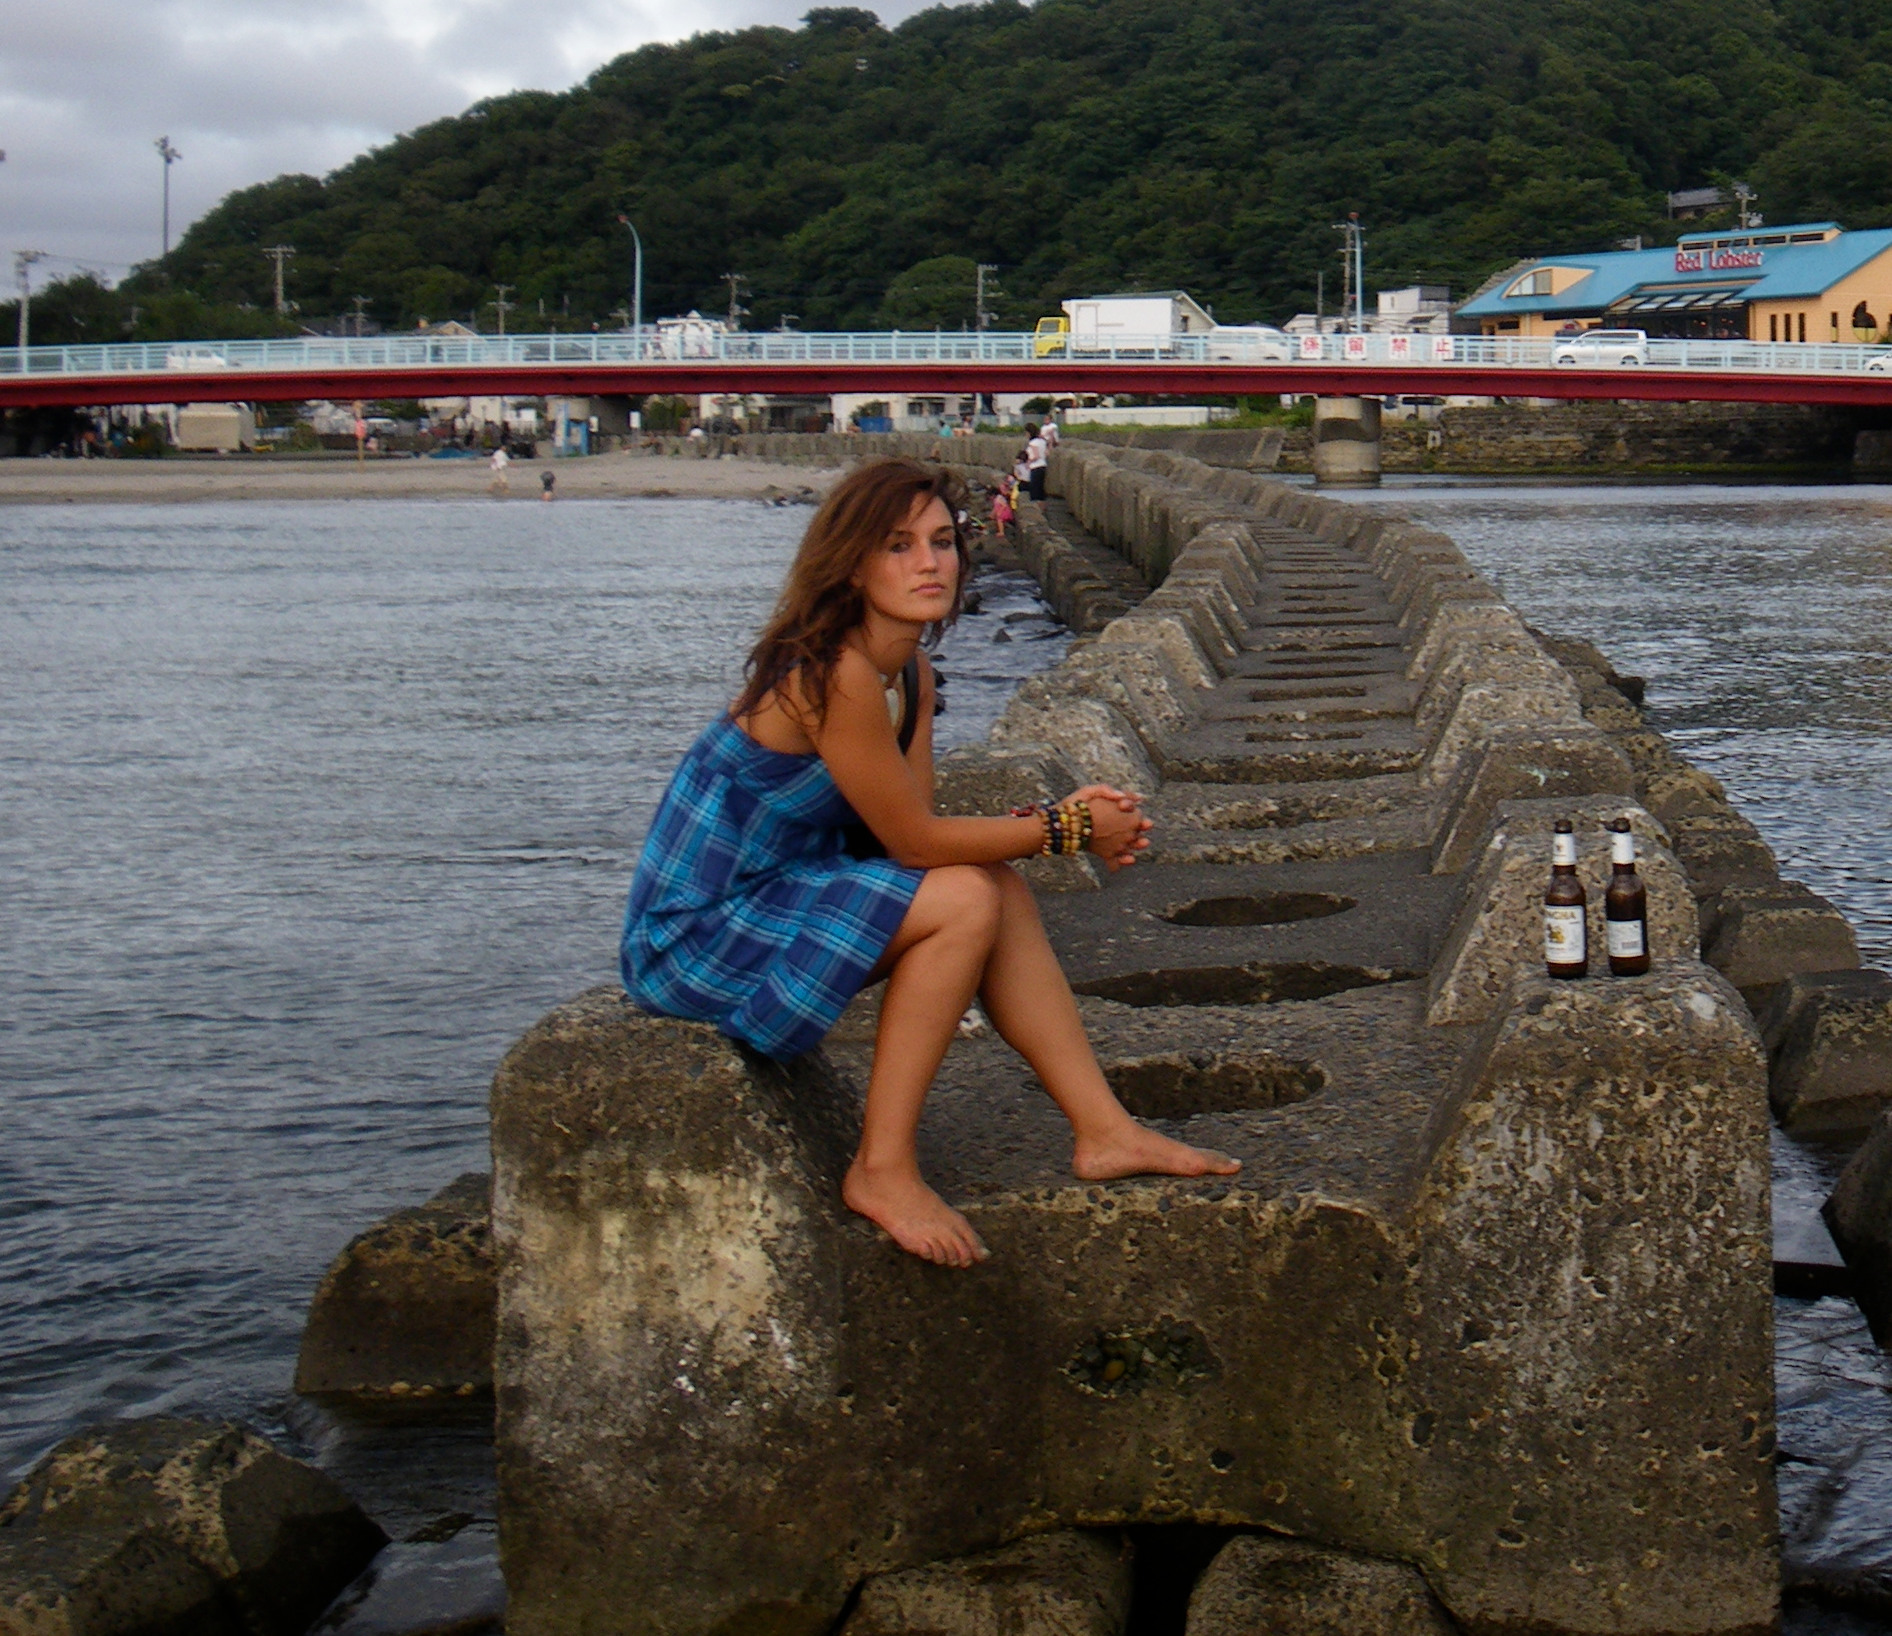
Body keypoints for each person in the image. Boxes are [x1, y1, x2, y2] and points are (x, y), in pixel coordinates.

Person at [620, 458, 1237, 1268]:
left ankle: (1105, 1130)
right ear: (850, 565)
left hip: (780, 901)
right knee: (965, 901)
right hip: (695, 938)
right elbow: (916, 847)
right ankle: (881, 1169)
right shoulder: (833, 672)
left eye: (943, 542)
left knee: (992, 889)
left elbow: (908, 837)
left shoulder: (904, 671)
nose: (929, 564)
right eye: (898, 546)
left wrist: (1052, 826)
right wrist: (1065, 828)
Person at [1024, 423, 1048, 502]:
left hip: (1035, 467)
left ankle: (1035, 506)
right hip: (1043, 466)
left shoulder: (1033, 443)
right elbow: (1046, 453)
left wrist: (1028, 461)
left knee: (1034, 490)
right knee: (1040, 489)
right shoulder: (1042, 441)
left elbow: (1036, 455)